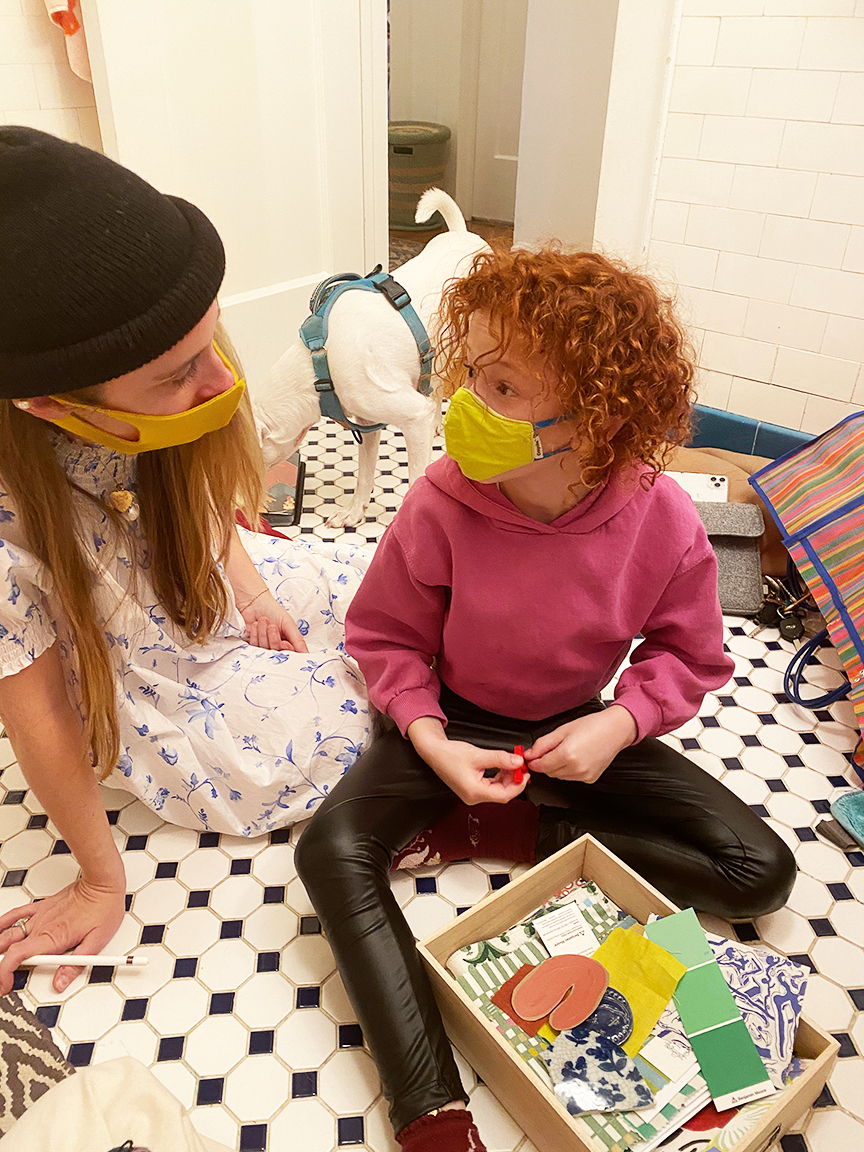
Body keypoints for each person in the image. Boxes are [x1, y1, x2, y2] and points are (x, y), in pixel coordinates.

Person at [295, 247, 797, 1152]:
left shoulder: (663, 517)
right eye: (467, 374)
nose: (460, 405)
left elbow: (690, 654)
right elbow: (385, 637)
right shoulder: (444, 498)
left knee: (760, 872)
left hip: (574, 728)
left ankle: (505, 833)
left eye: (500, 386)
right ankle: (433, 1114)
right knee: (331, 850)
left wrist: (618, 724)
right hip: (449, 718)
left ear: (598, 417)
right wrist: (429, 736)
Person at [0, 127, 371, 995]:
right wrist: (100, 879)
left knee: (367, 585)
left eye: (211, 342)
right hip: (145, 678)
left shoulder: (150, 383)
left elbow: (195, 503)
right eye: (175, 376)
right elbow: (40, 713)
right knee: (347, 714)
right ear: (49, 405)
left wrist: (250, 594)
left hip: (191, 594)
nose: (217, 385)